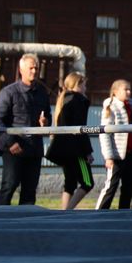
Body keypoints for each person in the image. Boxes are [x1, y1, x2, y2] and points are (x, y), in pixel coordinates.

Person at [0, 53, 51, 205]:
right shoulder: (9, 92)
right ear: (21, 70)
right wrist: (10, 142)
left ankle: (26, 218)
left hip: (34, 149)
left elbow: (48, 118)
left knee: (30, 190)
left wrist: (45, 122)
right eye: (31, 68)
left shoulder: (42, 93)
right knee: (9, 185)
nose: (34, 71)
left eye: (36, 68)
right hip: (14, 148)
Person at [45, 72, 94, 210]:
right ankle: (68, 210)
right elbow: (81, 129)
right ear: (77, 85)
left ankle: (64, 211)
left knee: (70, 183)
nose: (85, 88)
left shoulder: (64, 98)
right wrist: (87, 151)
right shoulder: (79, 100)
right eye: (84, 85)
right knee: (87, 182)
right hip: (76, 150)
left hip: (63, 149)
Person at [95, 79, 132, 210]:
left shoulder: (130, 106)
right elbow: (105, 133)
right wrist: (108, 156)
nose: (129, 92)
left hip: (129, 153)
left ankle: (123, 212)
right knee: (111, 185)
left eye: (129, 89)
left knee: (128, 187)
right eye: (125, 89)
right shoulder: (111, 107)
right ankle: (99, 212)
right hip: (116, 155)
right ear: (116, 91)